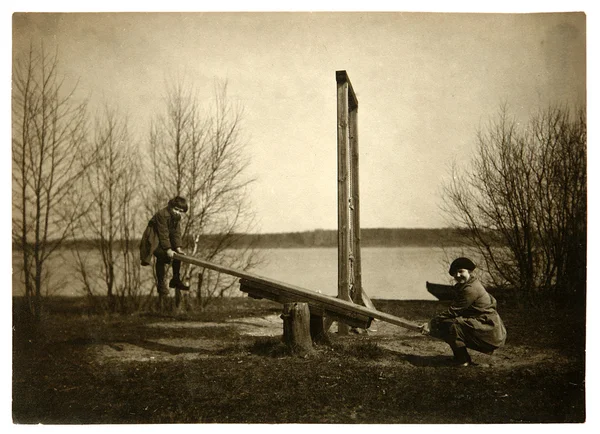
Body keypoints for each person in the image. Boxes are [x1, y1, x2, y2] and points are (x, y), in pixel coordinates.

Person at [421, 257, 506, 366]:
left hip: (489, 330)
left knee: (450, 325)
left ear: (469, 271)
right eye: (455, 273)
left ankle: (463, 360)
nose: (457, 275)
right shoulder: (467, 285)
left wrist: (430, 323)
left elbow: (453, 311)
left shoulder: (470, 289)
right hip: (484, 326)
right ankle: (460, 357)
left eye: (461, 271)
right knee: (447, 323)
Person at [140, 196, 190, 295]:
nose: (177, 212)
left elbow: (176, 233)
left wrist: (178, 248)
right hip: (153, 238)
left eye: (180, 211)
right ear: (171, 206)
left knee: (178, 255)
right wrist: (168, 249)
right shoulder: (162, 214)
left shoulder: (176, 217)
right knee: (161, 256)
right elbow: (163, 233)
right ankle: (161, 284)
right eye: (176, 209)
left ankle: (175, 279)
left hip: (164, 238)